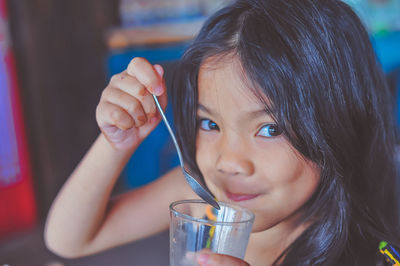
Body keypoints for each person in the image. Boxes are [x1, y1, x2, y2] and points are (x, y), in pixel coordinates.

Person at [44, 0, 400, 265]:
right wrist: (115, 144)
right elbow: (70, 239)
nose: (229, 162)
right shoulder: (207, 203)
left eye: (270, 128)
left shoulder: (372, 251)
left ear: (340, 123)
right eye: (210, 124)